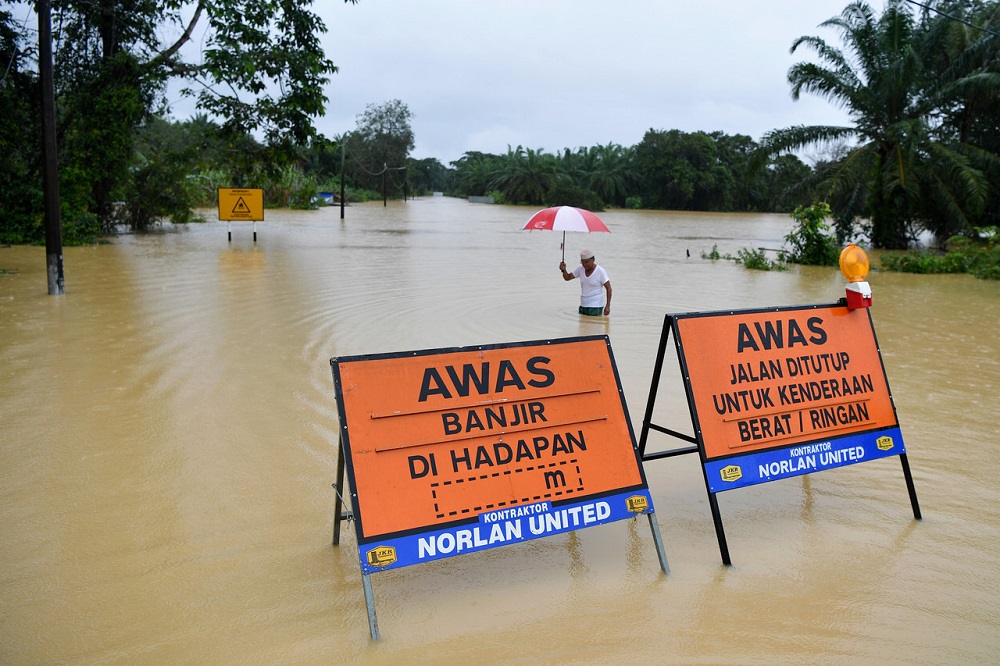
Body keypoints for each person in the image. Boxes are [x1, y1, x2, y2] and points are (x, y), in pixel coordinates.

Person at [559, 249, 612, 316]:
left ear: (593, 260)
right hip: (583, 305)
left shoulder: (600, 271)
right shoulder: (580, 269)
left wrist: (608, 306)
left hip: (595, 307)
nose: (585, 264)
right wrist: (563, 270)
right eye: (583, 262)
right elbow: (567, 277)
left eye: (587, 262)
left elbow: (609, 288)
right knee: (582, 325)